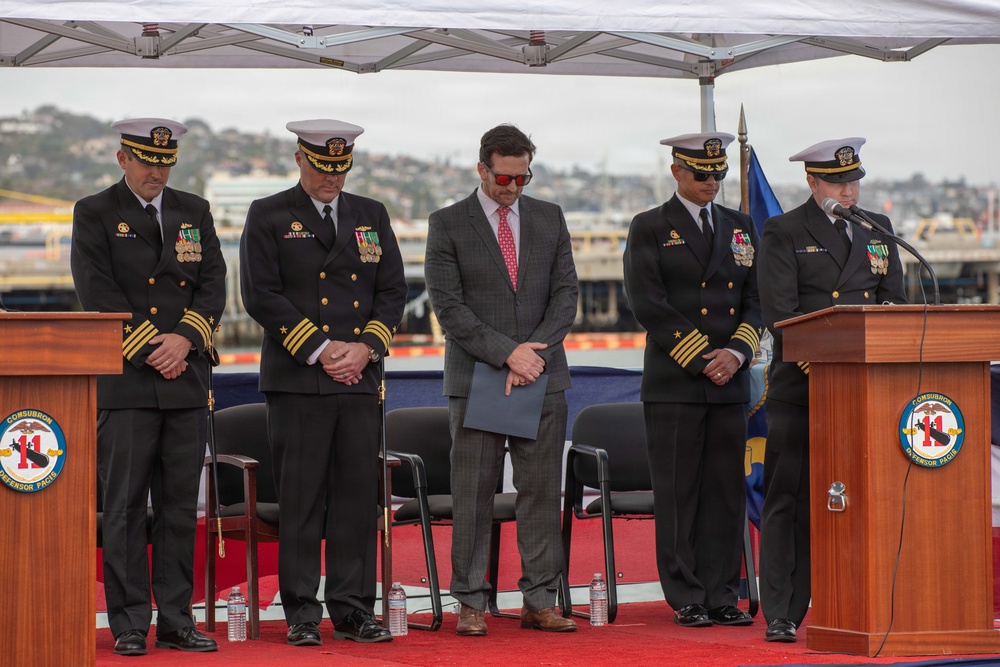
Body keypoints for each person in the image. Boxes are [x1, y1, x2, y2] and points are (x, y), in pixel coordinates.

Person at [239, 119, 406, 647]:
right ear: (299, 159)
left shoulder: (370, 214)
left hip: (358, 377)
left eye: (340, 168)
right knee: (302, 500)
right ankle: (301, 613)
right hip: (299, 379)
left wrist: (366, 347)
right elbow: (260, 293)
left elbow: (393, 291)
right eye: (322, 167)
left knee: (357, 500)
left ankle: (354, 609)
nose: (332, 177)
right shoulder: (268, 213)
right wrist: (321, 348)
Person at [71, 118, 226, 656]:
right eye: (146, 162)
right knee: (125, 509)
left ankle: (177, 620)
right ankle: (130, 622)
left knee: (181, 508)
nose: (157, 172)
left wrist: (185, 339)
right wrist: (151, 347)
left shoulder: (194, 210)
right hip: (129, 382)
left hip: (186, 379)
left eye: (165, 163)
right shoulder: (95, 211)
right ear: (122, 159)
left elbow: (213, 285)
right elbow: (96, 289)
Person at [424, 124, 579, 636]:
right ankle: (471, 602)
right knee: (473, 495)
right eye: (504, 178)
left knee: (541, 493)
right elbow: (448, 307)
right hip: (479, 377)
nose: (513, 187)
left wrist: (532, 354)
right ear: (481, 169)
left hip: (542, 376)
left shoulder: (550, 217)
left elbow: (566, 295)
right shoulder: (447, 223)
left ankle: (540, 600)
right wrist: (508, 353)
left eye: (522, 178)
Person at [757, 137, 905, 642]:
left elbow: (893, 302)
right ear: (812, 182)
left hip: (864, 391)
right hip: (804, 389)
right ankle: (783, 610)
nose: (849, 191)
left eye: (853, 181)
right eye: (838, 183)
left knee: (865, 496)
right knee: (790, 500)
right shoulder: (784, 231)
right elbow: (781, 314)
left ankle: (862, 602)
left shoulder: (877, 228)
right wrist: (824, 367)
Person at [622, 132, 762, 629]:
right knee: (679, 492)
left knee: (724, 492)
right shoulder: (650, 226)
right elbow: (647, 302)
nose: (712, 182)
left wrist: (738, 352)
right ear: (677, 171)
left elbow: (757, 298)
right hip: (677, 381)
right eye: (702, 173)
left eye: (718, 173)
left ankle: (723, 593)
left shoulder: (741, 226)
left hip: (729, 380)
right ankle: (686, 595)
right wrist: (702, 357)